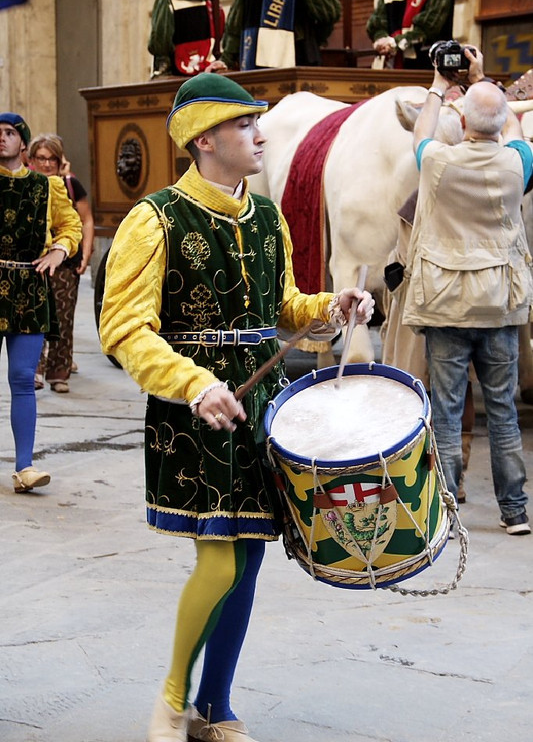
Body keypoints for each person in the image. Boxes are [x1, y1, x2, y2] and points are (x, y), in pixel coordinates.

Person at [99, 72, 374, 742]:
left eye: (258, 123)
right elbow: (122, 328)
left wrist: (329, 307)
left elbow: (281, 308)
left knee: (246, 558)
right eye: (246, 124)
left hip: (262, 408)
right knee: (218, 559)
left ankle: (213, 709)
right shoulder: (154, 218)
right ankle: (171, 700)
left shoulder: (267, 215)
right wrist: (191, 383)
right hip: (196, 408)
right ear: (204, 140)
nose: (260, 134)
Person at [402, 46, 533, 535]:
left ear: (463, 121)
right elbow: (515, 131)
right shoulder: (517, 164)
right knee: (503, 412)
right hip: (498, 303)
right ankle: (515, 511)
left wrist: (439, 85)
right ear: (499, 122)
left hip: (446, 303)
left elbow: (421, 132)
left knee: (447, 411)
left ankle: (445, 509)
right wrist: (486, 80)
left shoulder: (438, 162)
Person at [0, 113, 82, 493]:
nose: (2, 139)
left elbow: (72, 225)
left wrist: (59, 250)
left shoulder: (47, 186)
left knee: (21, 378)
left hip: (29, 288)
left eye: (9, 133)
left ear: (23, 142)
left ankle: (25, 467)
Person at [28, 134, 94, 393]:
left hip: (66, 261)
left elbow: (85, 220)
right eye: (41, 158)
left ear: (59, 160)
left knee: (63, 318)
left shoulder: (69, 183)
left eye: (52, 159)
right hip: (33, 261)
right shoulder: (25, 184)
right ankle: (35, 368)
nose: (46, 164)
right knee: (35, 317)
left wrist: (86, 254)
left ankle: (59, 372)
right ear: (32, 159)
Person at [148, 0, 225, 78]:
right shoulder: (209, 3)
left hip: (190, 71)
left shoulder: (207, 3)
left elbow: (160, 38)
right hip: (201, 71)